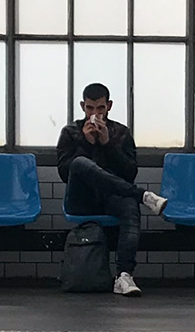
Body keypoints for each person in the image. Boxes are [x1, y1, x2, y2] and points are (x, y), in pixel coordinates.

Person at [56, 82, 168, 296]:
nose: (95, 114)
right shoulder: (70, 132)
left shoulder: (121, 133)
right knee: (79, 163)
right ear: (82, 106)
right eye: (90, 108)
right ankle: (143, 195)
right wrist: (87, 144)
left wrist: (108, 144)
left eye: (100, 108)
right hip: (81, 198)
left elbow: (130, 172)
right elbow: (64, 174)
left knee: (130, 207)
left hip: (112, 198)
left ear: (109, 106)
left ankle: (124, 275)